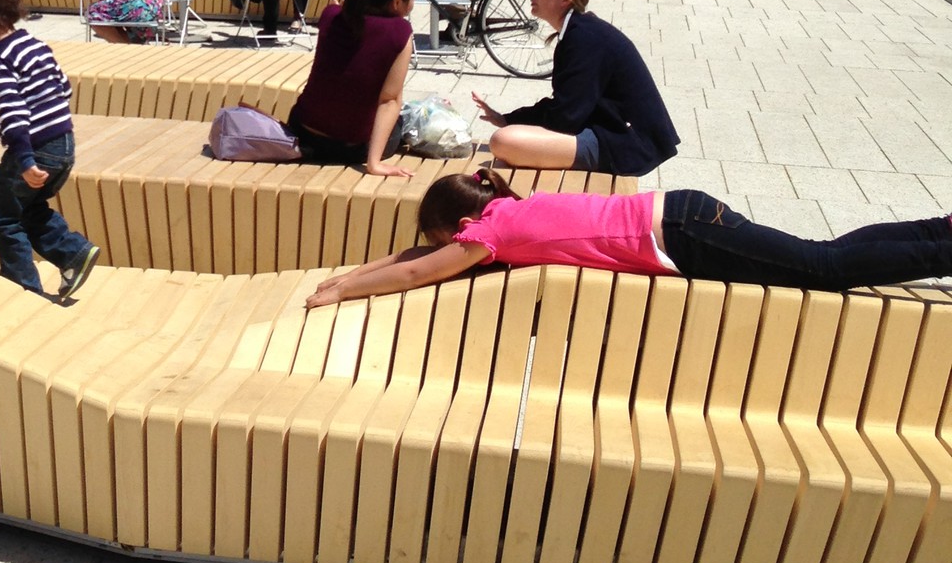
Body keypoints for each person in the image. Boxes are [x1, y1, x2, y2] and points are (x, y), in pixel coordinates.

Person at [303, 166, 952, 310]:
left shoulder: (490, 232)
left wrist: (341, 291)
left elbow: (420, 273)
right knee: (824, 253)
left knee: (824, 264)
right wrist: (354, 271)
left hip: (684, 232)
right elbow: (415, 259)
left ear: (457, 225)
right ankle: (939, 231)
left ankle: (942, 244)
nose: (440, 247)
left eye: (438, 236)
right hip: (684, 216)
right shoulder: (508, 210)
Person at [0, 0, 100, 300]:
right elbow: (64, 87)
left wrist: (24, 159)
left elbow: (11, 113)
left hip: (33, 147)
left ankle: (22, 290)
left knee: (2, 219)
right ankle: (73, 254)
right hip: (64, 144)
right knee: (28, 209)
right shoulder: (35, 45)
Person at [470, 0, 679, 175]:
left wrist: (513, 124)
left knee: (503, 141)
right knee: (510, 136)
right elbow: (567, 107)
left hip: (626, 144)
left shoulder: (584, 38)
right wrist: (509, 118)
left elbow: (566, 117)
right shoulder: (579, 30)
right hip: (615, 131)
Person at [286, 0, 416, 174]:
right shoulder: (400, 32)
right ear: (396, 3)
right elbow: (389, 100)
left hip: (304, 133)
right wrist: (374, 164)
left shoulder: (330, 15)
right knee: (399, 118)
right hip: (352, 147)